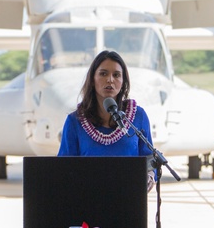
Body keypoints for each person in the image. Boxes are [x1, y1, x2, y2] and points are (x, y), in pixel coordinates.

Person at [58, 50, 157, 189]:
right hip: (86, 201)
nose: (110, 79)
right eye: (103, 73)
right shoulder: (75, 121)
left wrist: (150, 175)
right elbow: (63, 168)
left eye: (116, 75)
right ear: (92, 80)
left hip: (129, 200)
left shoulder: (138, 116)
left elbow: (149, 158)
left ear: (123, 82)